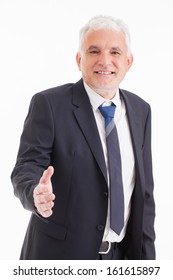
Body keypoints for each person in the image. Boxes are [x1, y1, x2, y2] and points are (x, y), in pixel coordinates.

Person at [11, 15, 156, 260]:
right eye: (94, 51)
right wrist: (35, 192)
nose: (105, 60)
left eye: (115, 52)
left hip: (121, 259)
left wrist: (147, 263)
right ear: (79, 60)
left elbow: (144, 194)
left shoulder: (141, 110)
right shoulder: (49, 104)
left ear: (129, 62)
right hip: (59, 258)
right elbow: (26, 167)